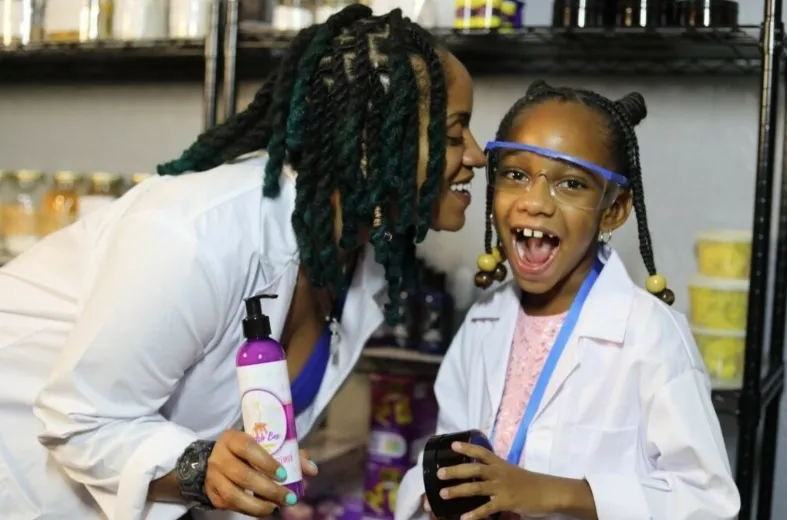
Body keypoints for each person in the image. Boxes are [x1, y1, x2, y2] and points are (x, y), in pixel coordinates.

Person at [0, 6, 485, 520]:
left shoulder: (362, 262)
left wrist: (254, 490)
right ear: (373, 140)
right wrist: (201, 472)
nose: (477, 156)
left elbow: (242, 432)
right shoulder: (197, 233)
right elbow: (79, 419)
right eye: (456, 134)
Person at [395, 80, 740, 520]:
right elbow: (447, 452)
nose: (535, 202)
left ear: (613, 209)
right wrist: (438, 493)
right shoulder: (484, 320)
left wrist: (549, 493)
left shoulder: (651, 336)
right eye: (516, 175)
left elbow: (709, 501)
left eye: (572, 183)